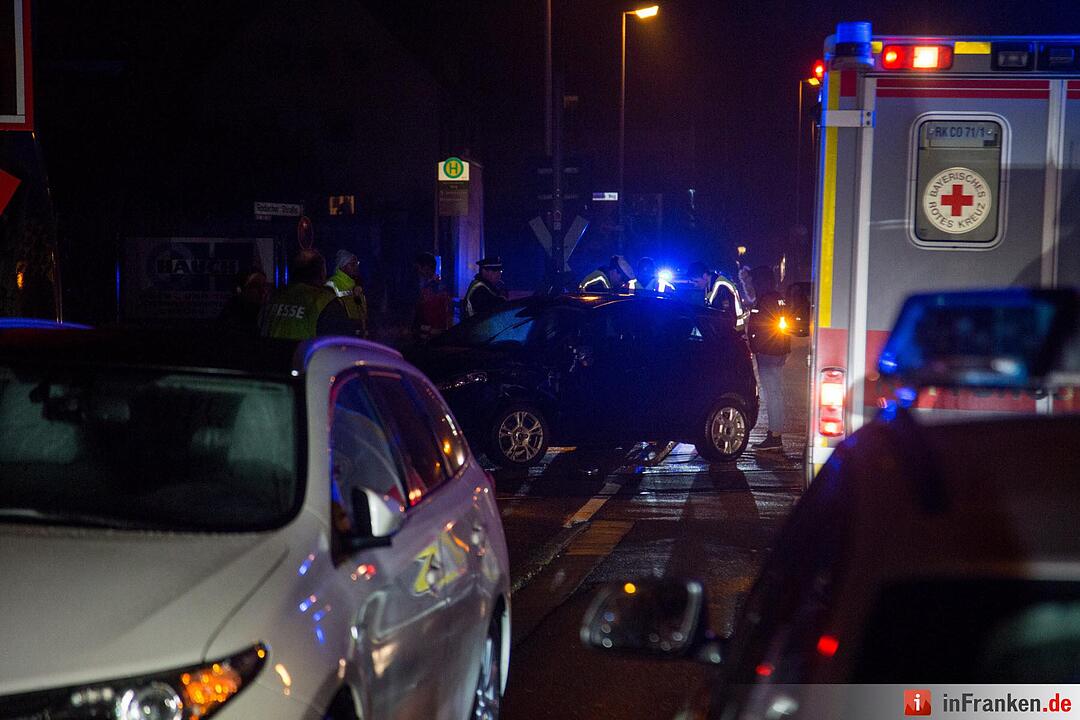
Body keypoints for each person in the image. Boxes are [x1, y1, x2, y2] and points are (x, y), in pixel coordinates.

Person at [260, 249, 353, 340]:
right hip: (305, 354)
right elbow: (337, 342)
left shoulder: (275, 297)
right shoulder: (325, 301)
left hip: (272, 355)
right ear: (321, 272)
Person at [746, 265, 791, 451]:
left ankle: (774, 436)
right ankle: (775, 434)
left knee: (772, 394)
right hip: (777, 351)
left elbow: (761, 327)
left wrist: (754, 345)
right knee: (776, 393)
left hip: (768, 352)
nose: (752, 285)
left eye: (754, 281)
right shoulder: (778, 298)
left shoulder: (766, 299)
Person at [325, 250, 369, 338]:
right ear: (342, 266)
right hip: (342, 335)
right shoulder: (332, 284)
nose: (356, 267)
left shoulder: (356, 284)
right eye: (352, 264)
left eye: (357, 263)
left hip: (358, 335)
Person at [413, 251, 453, 342]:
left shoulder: (433, 288)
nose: (418, 272)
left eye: (419, 268)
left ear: (426, 268)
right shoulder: (436, 286)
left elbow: (430, 314)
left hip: (428, 337)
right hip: (429, 335)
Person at [218, 268, 269, 335]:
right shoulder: (232, 319)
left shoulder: (265, 312)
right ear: (240, 290)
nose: (262, 291)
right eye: (255, 286)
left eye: (264, 285)